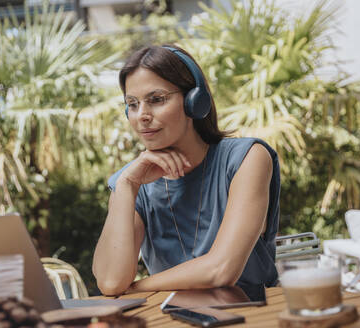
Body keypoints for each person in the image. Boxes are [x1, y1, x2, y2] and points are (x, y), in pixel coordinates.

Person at [92, 44, 280, 296]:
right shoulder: (130, 181)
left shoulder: (246, 158)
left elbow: (221, 270)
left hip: (252, 315)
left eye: (156, 100)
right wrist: (126, 186)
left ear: (194, 101)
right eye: (132, 104)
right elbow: (111, 282)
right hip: (170, 318)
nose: (142, 115)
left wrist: (136, 287)